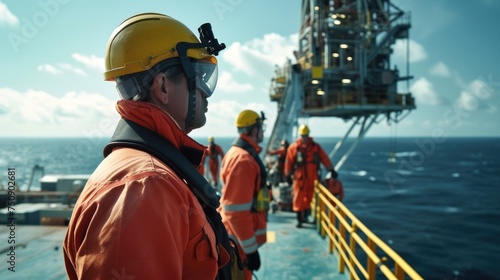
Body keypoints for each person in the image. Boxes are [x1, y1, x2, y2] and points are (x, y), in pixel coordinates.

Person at [63, 13, 234, 279]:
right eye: (199, 76)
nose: (204, 91)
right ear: (163, 86)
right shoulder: (146, 187)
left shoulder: (158, 171)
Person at [219, 109, 268, 280]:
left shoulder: (236, 153)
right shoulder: (244, 161)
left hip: (237, 238)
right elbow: (237, 212)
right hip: (239, 243)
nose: (262, 131)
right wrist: (251, 251)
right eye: (261, 128)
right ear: (254, 130)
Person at [284, 124, 338, 228]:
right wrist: (287, 175)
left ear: (308, 134)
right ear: (300, 135)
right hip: (299, 178)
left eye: (306, 135)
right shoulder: (294, 147)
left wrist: (332, 170)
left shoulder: (315, 147)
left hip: (312, 177)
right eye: (303, 135)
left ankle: (305, 217)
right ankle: (299, 219)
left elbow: (324, 159)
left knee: (309, 198)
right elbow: (288, 162)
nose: (304, 137)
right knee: (298, 198)